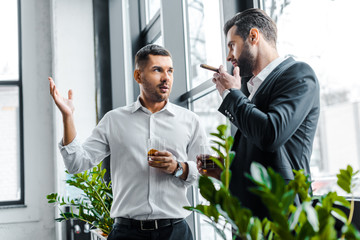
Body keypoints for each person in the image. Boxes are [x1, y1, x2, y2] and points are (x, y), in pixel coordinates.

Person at [49, 44, 207, 240]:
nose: (166, 77)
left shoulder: (190, 121)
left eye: (170, 71)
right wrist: (68, 117)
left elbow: (206, 172)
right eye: (157, 70)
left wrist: (179, 167)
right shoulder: (114, 120)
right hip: (126, 233)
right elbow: (76, 163)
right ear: (138, 76)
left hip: (175, 232)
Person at [198, 8, 320, 220]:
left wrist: (232, 94)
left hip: (282, 216)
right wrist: (225, 169)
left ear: (253, 36)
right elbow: (261, 153)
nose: (229, 56)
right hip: (250, 220)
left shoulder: (299, 74)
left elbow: (270, 134)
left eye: (232, 45)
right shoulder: (250, 89)